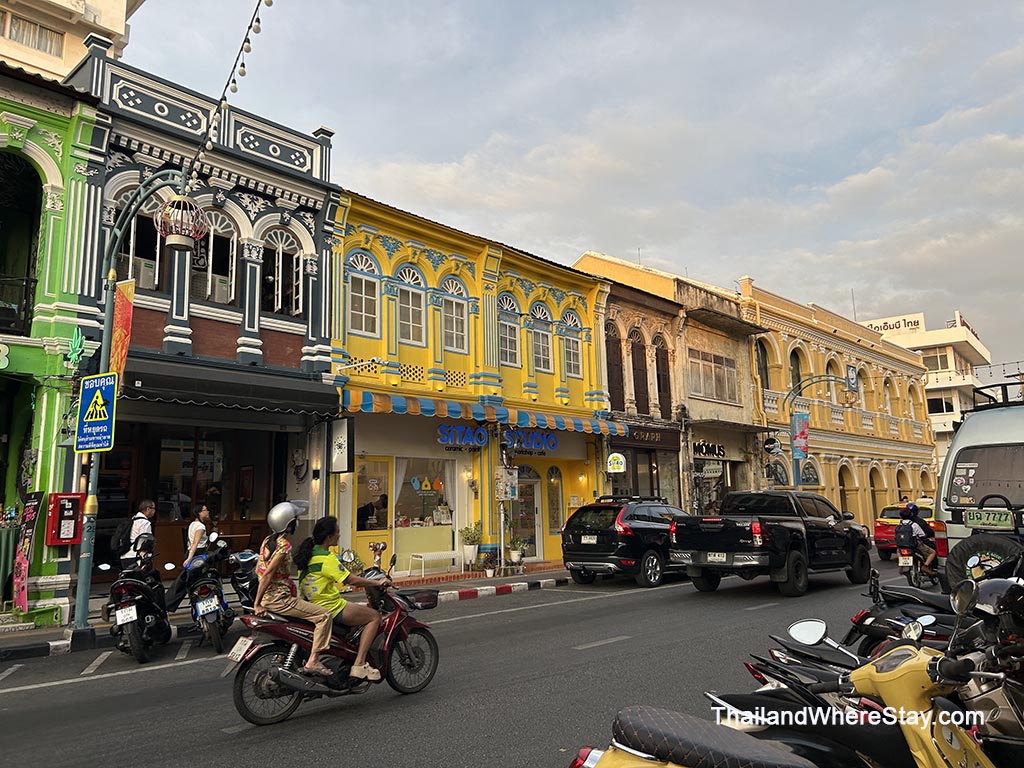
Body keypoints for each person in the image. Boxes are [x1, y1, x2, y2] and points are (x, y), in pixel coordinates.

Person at [294, 516, 390, 681]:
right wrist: (377, 581)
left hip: (310, 605)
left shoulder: (308, 555)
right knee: (374, 616)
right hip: (330, 607)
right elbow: (350, 580)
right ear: (329, 537)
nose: (339, 535)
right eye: (337, 533)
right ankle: (359, 664)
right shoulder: (327, 558)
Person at [253, 501, 333, 676]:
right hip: (278, 599)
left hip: (274, 597)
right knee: (324, 616)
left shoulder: (267, 541)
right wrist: (257, 603)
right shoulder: (283, 546)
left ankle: (287, 657)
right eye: (296, 519)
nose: (297, 522)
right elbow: (267, 574)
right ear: (289, 523)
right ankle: (313, 661)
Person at [898, 504, 936, 574]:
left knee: (898, 551)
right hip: (915, 545)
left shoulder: (900, 524)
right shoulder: (915, 523)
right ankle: (926, 566)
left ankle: (901, 566)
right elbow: (923, 534)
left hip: (902, 545)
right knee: (933, 552)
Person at [122, 499, 156, 569]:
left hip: (125, 555)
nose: (154, 511)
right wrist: (144, 559)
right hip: (136, 557)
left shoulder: (133, 519)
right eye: (153, 508)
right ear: (148, 509)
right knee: (139, 578)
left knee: (129, 578)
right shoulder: (144, 523)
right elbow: (145, 541)